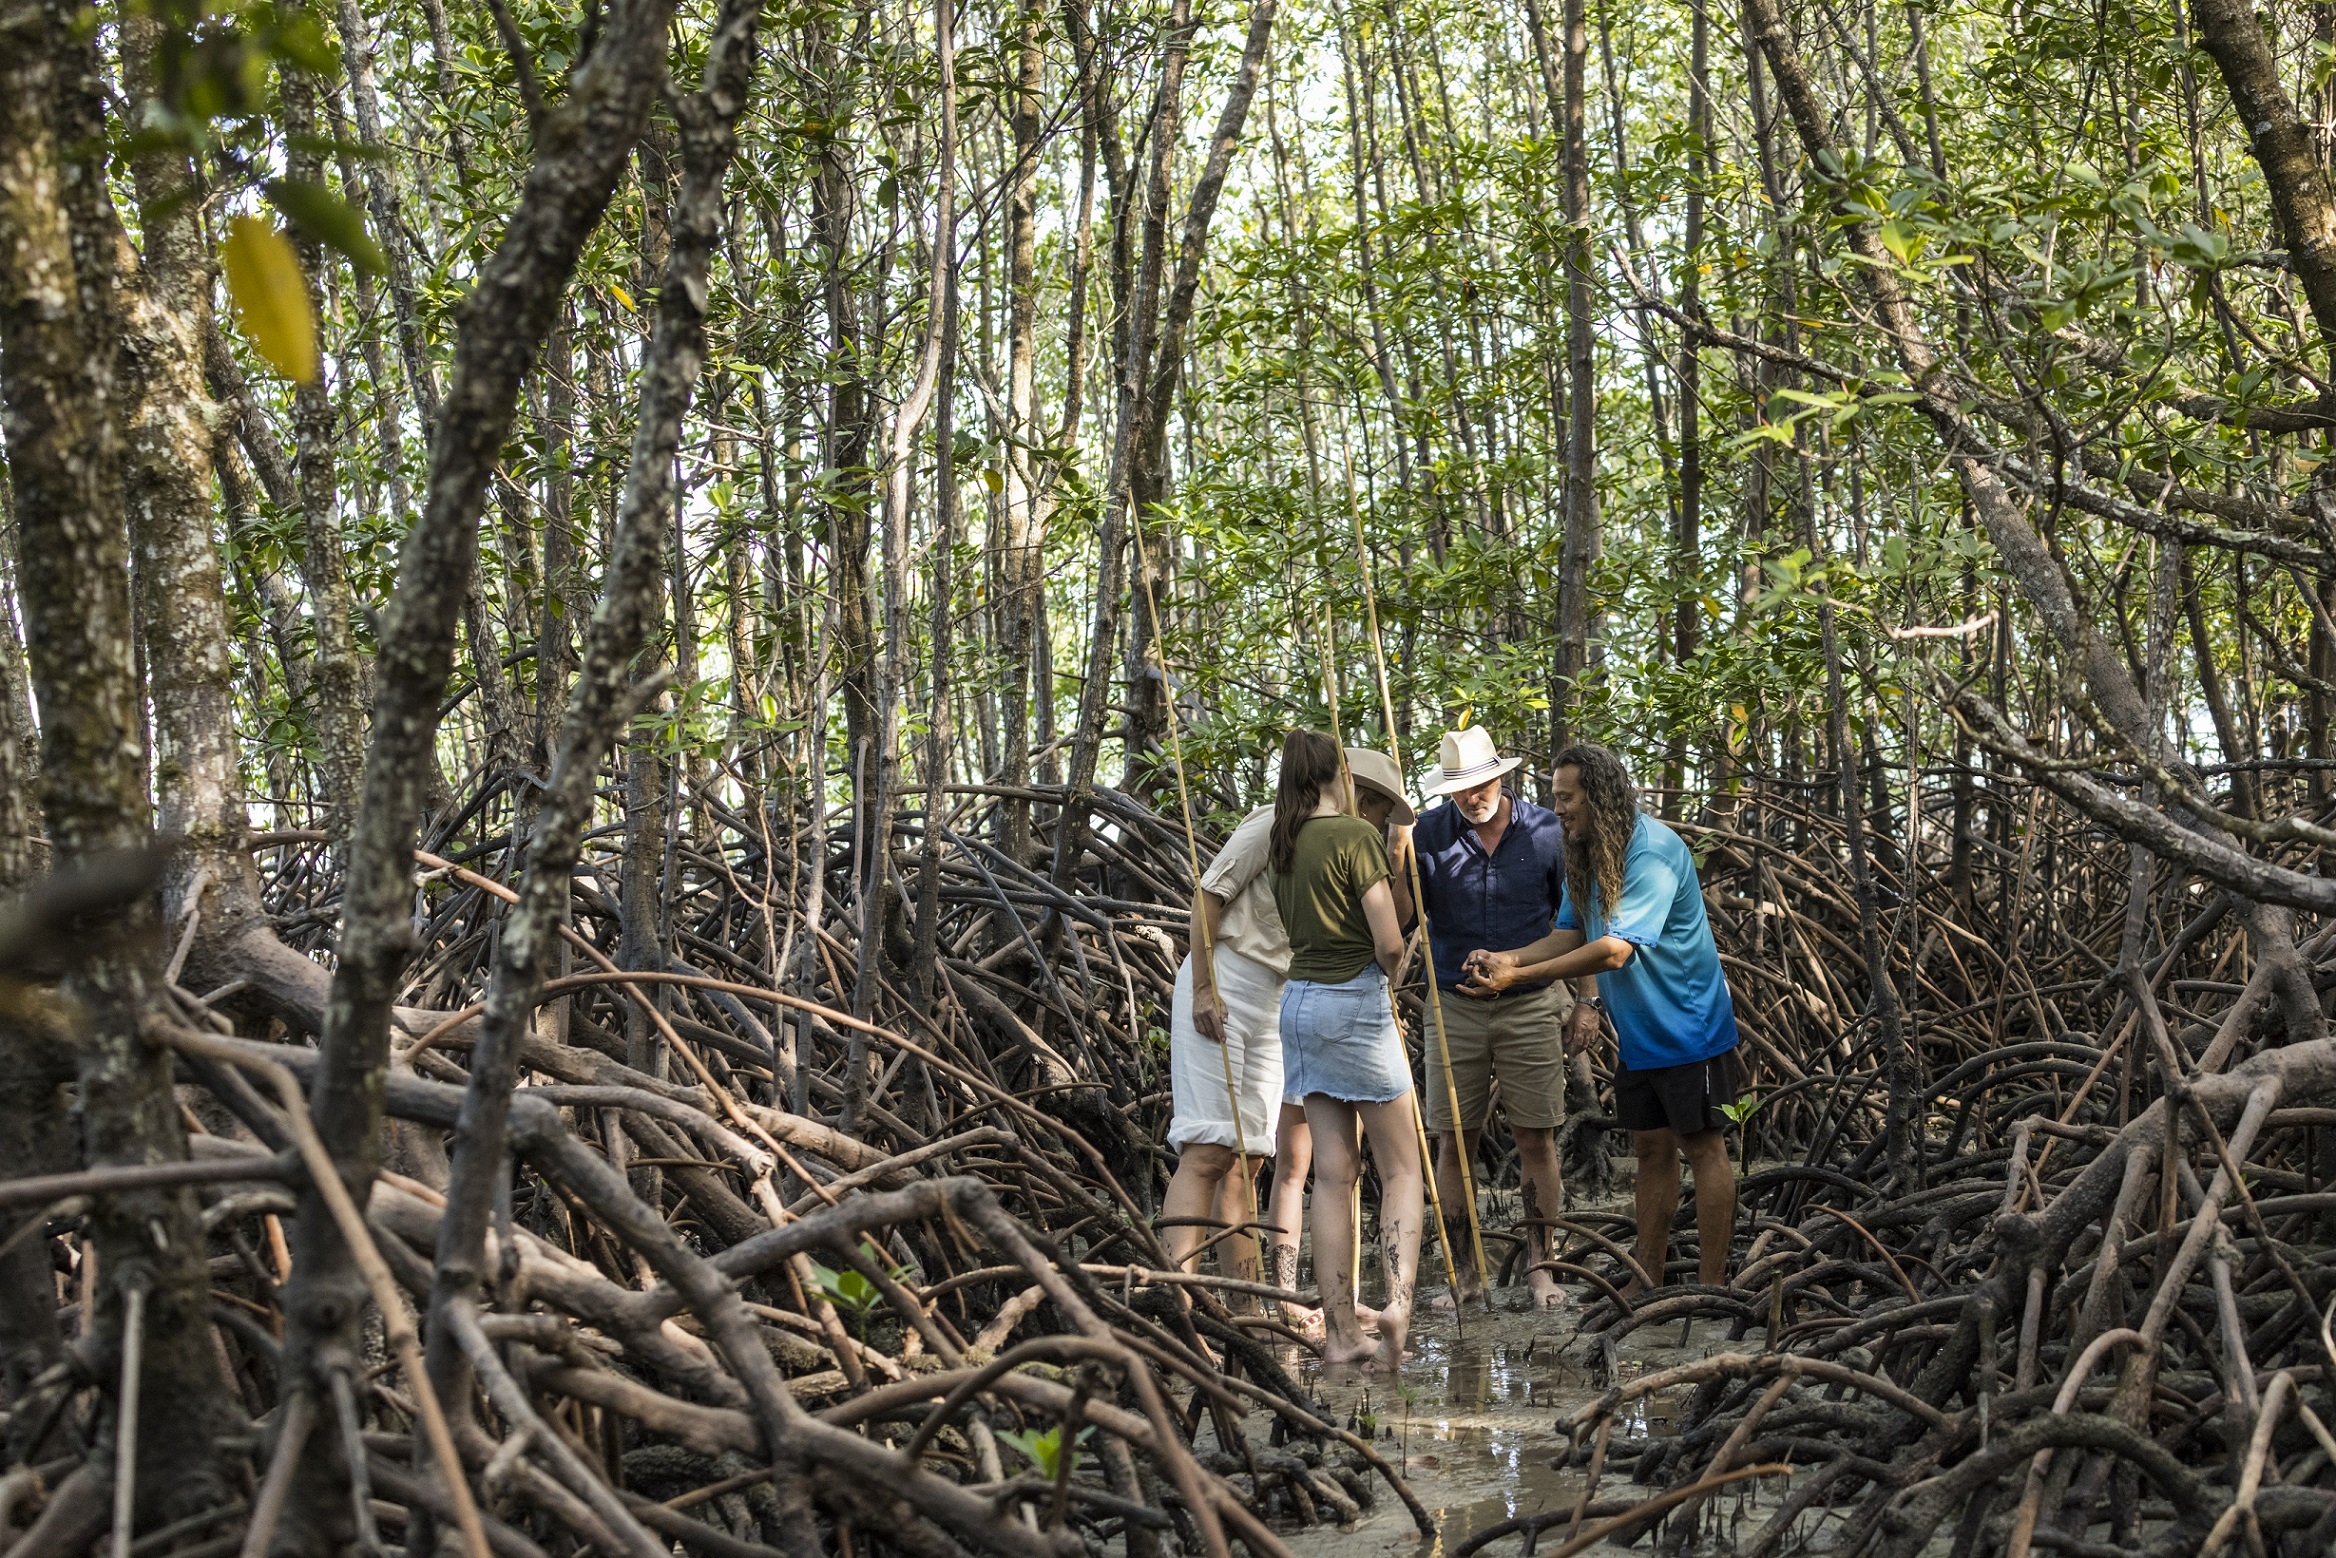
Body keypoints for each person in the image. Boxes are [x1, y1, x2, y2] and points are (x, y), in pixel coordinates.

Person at [1462, 744, 1741, 1295]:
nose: (1558, 808)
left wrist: (1516, 980)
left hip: (1690, 1028)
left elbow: (1614, 950)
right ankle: (1647, 1279)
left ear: (1600, 795)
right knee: (1650, 1150)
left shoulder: (1652, 854)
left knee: (1703, 1147)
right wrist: (1508, 959)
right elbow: (1571, 932)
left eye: (1567, 797)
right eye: (1555, 797)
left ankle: (1712, 1287)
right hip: (1639, 1036)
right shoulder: (1587, 853)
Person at [1166, 745, 1415, 1330]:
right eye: (1380, 810)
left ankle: (1248, 1310)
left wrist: (1399, 854)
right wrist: (1204, 989)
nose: (1380, 823)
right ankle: (1173, 1312)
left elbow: (1392, 923)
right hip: (1225, 980)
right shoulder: (1274, 823)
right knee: (1206, 1152)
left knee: (1247, 1159)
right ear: (1357, 792)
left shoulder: (1351, 841)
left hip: (1282, 996)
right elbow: (1209, 895)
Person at [1397, 726, 1579, 1309]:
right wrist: (1397, 855)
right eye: (1460, 789)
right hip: (1453, 1008)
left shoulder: (1548, 831)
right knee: (1455, 1143)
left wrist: (1589, 1002)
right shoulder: (1425, 833)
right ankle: (1465, 1278)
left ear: (1502, 776)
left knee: (1537, 1140)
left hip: (1533, 1003)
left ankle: (1540, 1272)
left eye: (1481, 784)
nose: (1473, 797)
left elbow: (1581, 920)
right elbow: (1403, 920)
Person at [1271, 730, 1424, 1370]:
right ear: (1339, 776)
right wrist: (1402, 963)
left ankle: (1339, 1335)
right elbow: (1388, 943)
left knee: (1332, 1175)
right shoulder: (1355, 837)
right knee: (1402, 1168)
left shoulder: (1285, 841)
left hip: (1299, 1004)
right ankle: (1396, 1310)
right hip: (1353, 1002)